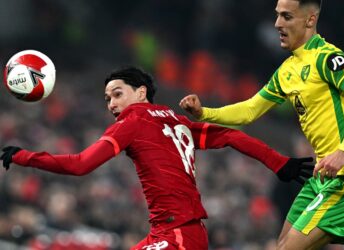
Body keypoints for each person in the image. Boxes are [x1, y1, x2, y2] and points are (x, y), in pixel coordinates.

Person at [1, 67, 313, 250]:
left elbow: (80, 164)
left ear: (140, 93)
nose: (111, 103)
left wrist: (24, 155)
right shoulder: (177, 121)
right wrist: (279, 162)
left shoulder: (133, 123)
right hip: (180, 233)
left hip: (177, 234)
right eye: (107, 98)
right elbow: (229, 135)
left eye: (118, 93)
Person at [180, 0, 344, 249]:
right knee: (281, 244)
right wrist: (204, 112)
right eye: (277, 16)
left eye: (287, 17)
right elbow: (250, 110)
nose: (277, 24)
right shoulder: (287, 71)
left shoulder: (328, 59)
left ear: (310, 20)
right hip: (322, 176)